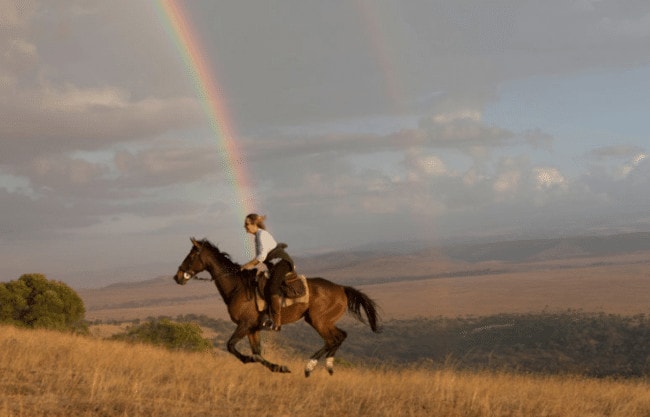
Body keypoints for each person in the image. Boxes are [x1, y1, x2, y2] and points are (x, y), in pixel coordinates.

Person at [241, 213, 294, 331]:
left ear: (254, 224)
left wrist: (247, 265)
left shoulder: (261, 235)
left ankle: (276, 321)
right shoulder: (257, 236)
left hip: (281, 262)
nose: (245, 226)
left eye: (247, 224)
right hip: (273, 264)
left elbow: (261, 256)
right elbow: (261, 259)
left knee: (272, 288)